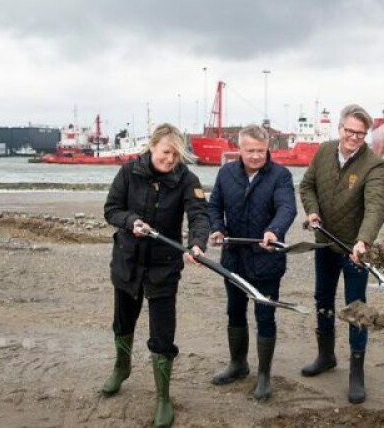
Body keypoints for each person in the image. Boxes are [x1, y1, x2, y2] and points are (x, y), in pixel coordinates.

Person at [101, 123, 210, 428]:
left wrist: (197, 244)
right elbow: (111, 209)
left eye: (176, 154)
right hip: (128, 261)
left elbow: (200, 215)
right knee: (123, 321)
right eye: (165, 152)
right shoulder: (129, 172)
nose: (170, 159)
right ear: (151, 147)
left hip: (164, 266)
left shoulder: (187, 179)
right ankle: (121, 367)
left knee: (162, 333)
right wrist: (131, 220)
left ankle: (163, 396)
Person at [298, 104, 384, 404]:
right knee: (322, 299)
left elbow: (376, 206)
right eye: (349, 131)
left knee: (356, 308)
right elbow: (307, 185)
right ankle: (326, 356)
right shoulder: (324, 151)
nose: (353, 137)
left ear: (366, 136)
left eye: (360, 134)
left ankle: (357, 373)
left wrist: (363, 241)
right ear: (339, 129)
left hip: (354, 251)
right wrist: (312, 213)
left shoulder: (373, 165)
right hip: (324, 244)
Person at [207, 124, 297, 401]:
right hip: (233, 257)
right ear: (240, 149)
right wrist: (217, 228)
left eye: (261, 150)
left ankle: (264, 376)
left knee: (264, 316)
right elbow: (213, 206)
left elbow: (287, 208)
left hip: (266, 259)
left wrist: (274, 231)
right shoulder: (226, 173)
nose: (256, 156)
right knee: (234, 311)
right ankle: (238, 364)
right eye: (250, 151)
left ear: (268, 148)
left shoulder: (280, 175)